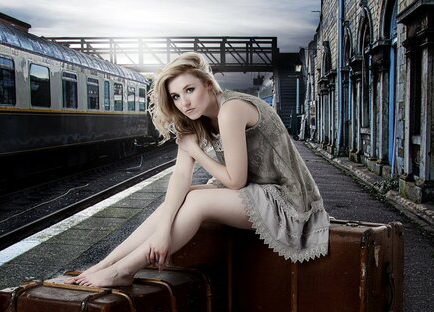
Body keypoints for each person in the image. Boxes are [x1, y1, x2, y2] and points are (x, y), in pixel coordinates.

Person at [68, 52, 329, 287]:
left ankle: (124, 271)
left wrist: (195, 150)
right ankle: (105, 264)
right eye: (176, 96)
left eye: (190, 89)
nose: (184, 102)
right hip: (256, 190)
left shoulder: (231, 109)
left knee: (197, 201)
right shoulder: (196, 118)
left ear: (208, 83)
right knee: (185, 194)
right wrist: (161, 233)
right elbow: (181, 176)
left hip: (288, 202)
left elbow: (235, 181)